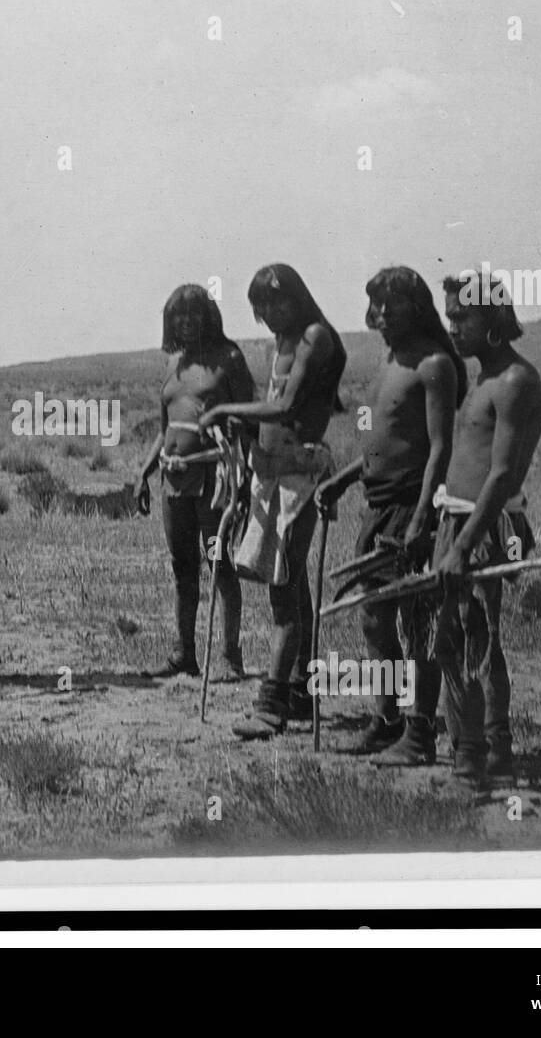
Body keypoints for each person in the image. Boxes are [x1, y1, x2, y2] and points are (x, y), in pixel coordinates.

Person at [373, 271, 541, 783]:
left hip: (486, 526)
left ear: (493, 320)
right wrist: (435, 525)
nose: (453, 329)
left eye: (462, 317)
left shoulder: (514, 380)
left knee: (480, 640)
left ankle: (491, 751)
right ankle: (470, 747)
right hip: (457, 521)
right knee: (446, 638)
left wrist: (464, 546)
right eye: (448, 317)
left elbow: (500, 474)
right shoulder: (484, 378)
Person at [315, 267, 463, 755]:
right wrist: (342, 480)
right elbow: (385, 442)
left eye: (391, 305)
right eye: (375, 305)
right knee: (374, 618)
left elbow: (439, 448)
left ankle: (419, 733)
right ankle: (386, 719)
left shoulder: (434, 364)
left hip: (410, 505)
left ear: (416, 307)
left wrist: (423, 516)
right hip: (376, 506)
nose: (380, 315)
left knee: (416, 619)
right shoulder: (389, 361)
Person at [199, 264, 345, 739]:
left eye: (277, 303)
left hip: (299, 474)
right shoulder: (279, 344)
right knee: (291, 581)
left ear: (298, 297)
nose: (268, 313)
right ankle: (301, 689)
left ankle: (272, 704)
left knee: (284, 594)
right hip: (270, 473)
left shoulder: (314, 338)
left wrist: (224, 409)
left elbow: (286, 408)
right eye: (260, 306)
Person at [133, 285, 257, 680]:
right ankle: (184, 654)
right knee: (182, 567)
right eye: (178, 316)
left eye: (194, 314)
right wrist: (144, 473)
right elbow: (164, 428)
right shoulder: (173, 364)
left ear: (209, 317)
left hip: (213, 481)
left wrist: (246, 480)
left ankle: (229, 657)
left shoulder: (229, 358)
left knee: (219, 563)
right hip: (173, 481)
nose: (186, 322)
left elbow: (249, 422)